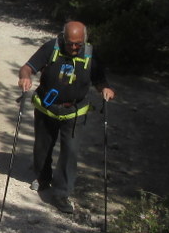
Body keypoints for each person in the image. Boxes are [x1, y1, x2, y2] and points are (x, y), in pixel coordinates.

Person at [17, 20, 115, 214]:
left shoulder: (90, 54)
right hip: (47, 107)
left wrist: (105, 89)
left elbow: (99, 79)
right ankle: (43, 178)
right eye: (70, 43)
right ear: (63, 37)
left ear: (84, 40)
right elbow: (27, 67)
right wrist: (25, 77)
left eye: (77, 44)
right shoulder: (51, 48)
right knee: (43, 146)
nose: (73, 47)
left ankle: (61, 193)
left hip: (75, 111)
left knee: (70, 151)